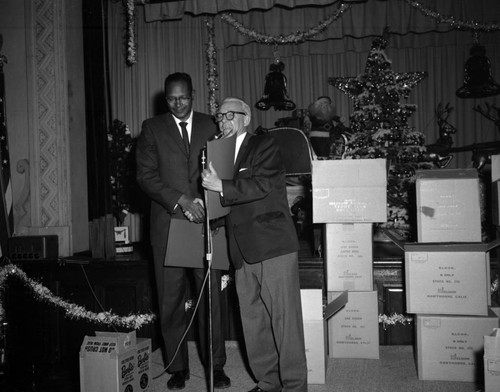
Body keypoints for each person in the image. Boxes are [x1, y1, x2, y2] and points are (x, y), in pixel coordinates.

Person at [201, 97, 308, 392]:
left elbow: (262, 185)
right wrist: (204, 202)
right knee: (254, 322)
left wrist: (221, 186)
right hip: (240, 251)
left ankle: (295, 387)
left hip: (272, 245)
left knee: (285, 324)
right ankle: (268, 383)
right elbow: (225, 203)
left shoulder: (264, 145)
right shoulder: (217, 154)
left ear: (246, 118)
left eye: (230, 115)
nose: (223, 121)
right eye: (219, 117)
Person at [136, 72, 230, 390]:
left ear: (193, 94)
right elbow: (146, 177)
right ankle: (177, 366)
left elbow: (223, 170)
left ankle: (215, 366)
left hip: (205, 226)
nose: (178, 104)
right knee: (170, 300)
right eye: (172, 99)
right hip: (169, 226)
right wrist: (181, 201)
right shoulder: (152, 129)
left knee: (209, 299)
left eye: (184, 98)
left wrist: (207, 206)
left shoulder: (211, 126)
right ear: (166, 98)